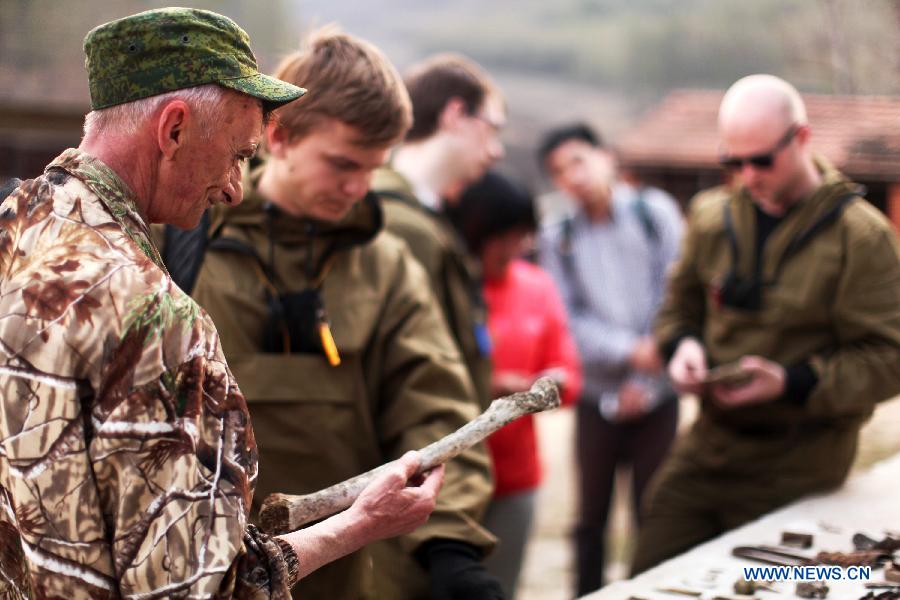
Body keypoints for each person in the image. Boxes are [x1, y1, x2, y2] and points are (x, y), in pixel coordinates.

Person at [0, 9, 444, 599]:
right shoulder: (154, 314)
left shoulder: (18, 229)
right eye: (237, 153)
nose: (236, 185)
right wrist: (359, 526)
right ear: (174, 128)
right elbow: (198, 587)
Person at [186, 29, 501, 600]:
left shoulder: (385, 266)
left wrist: (449, 546)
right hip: (197, 568)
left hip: (348, 570)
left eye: (373, 169)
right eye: (341, 164)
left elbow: (433, 406)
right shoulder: (185, 239)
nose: (358, 188)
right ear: (277, 136)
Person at [631, 74, 900, 573]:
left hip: (801, 464)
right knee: (650, 572)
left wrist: (792, 382)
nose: (748, 175)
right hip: (708, 451)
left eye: (761, 160)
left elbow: (889, 360)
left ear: (801, 137)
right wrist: (681, 347)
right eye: (733, 161)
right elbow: (678, 309)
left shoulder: (860, 238)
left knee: (761, 584)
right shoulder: (711, 217)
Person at [536, 123, 684, 594]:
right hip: (597, 395)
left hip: (659, 393)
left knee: (654, 512)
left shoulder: (653, 213)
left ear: (605, 157)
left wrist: (653, 359)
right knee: (589, 520)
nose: (572, 177)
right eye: (559, 171)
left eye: (578, 161)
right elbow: (568, 317)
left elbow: (678, 290)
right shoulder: (557, 236)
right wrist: (627, 351)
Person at [448, 170, 582, 598]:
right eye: (505, 237)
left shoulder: (537, 287)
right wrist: (485, 383)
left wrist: (549, 384)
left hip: (516, 477)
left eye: (522, 236)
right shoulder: (449, 288)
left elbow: (570, 373)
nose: (516, 248)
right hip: (449, 477)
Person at [372, 53, 506, 410]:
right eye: (492, 127)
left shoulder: (424, 217)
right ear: (455, 114)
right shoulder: (398, 220)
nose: (496, 150)